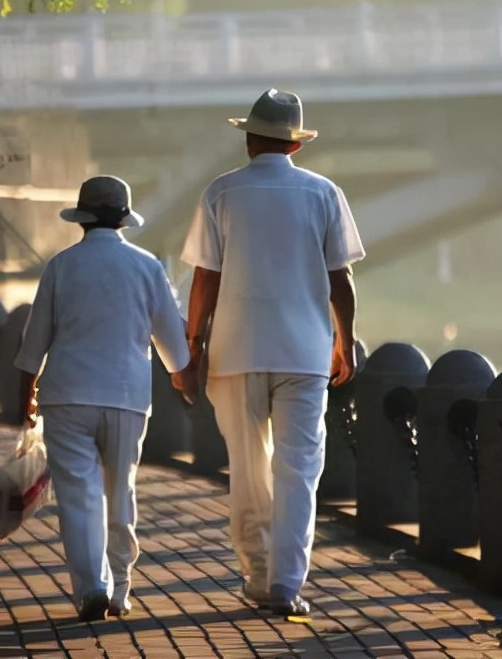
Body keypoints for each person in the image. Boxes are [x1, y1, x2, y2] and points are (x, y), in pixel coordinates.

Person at [173, 88, 365, 617]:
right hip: (305, 354)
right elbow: (339, 280)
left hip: (235, 352)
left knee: (248, 469)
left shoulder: (221, 193)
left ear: (250, 140)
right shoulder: (324, 193)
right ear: (296, 146)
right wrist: (344, 341)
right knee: (299, 469)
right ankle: (285, 584)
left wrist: (195, 345)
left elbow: (204, 280)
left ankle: (256, 574)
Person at [14, 175, 189, 622]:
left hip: (67, 395)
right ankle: (121, 587)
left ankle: (91, 586)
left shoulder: (61, 265)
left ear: (82, 219)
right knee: (119, 490)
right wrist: (183, 377)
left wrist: (25, 394)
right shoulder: (148, 266)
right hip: (127, 397)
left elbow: (36, 340)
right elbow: (175, 346)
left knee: (79, 496)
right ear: (124, 220)